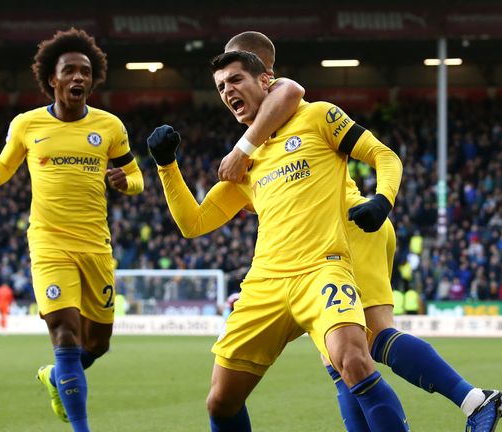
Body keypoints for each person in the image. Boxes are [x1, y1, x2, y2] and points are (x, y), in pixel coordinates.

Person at [217, 31, 502, 432]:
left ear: (264, 73)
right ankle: (473, 401)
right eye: (223, 79)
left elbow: (292, 92)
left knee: (365, 343)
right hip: (343, 233)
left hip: (349, 227)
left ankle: (474, 400)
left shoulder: (285, 98)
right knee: (340, 360)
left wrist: (382, 199)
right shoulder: (266, 129)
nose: (230, 83)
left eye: (238, 71)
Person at [148, 50, 409, 431]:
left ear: (264, 81)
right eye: (220, 86)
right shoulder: (243, 165)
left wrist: (382, 200)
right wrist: (166, 165)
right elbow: (193, 223)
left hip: (323, 270)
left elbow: (385, 156)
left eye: (235, 79)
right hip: (265, 283)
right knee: (221, 402)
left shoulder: (316, 117)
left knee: (353, 360)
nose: (227, 91)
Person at [0, 28, 143, 432]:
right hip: (49, 244)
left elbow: (136, 176)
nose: (78, 78)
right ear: (52, 78)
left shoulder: (110, 126)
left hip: (96, 247)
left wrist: (126, 182)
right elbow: (6, 162)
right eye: (69, 71)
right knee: (65, 334)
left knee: (97, 343)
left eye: (85, 72)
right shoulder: (28, 124)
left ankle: (55, 377)